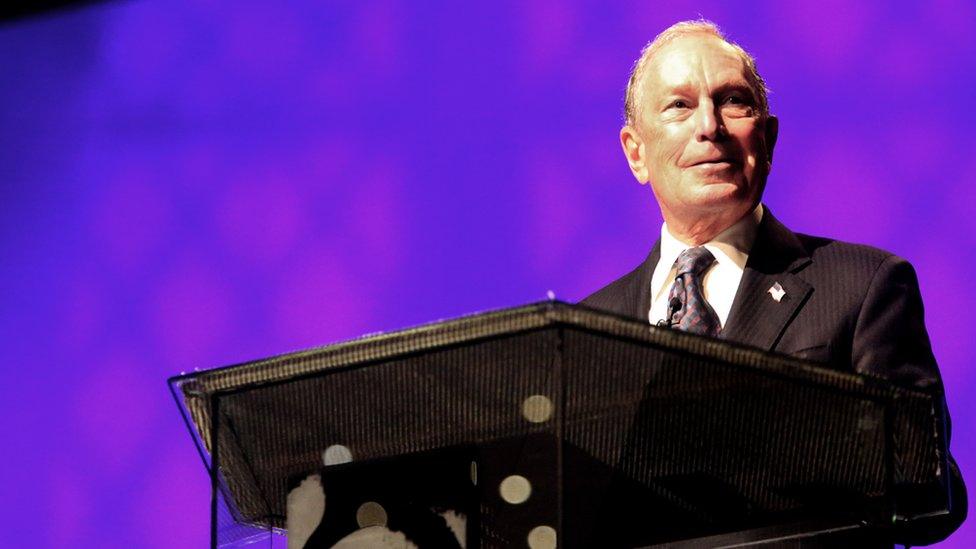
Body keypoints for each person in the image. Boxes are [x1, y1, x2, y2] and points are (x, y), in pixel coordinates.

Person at [581, 20, 965, 545]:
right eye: (679, 106)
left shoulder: (864, 286)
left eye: (733, 101)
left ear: (769, 137)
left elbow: (929, 490)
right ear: (636, 152)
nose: (708, 127)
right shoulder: (589, 331)